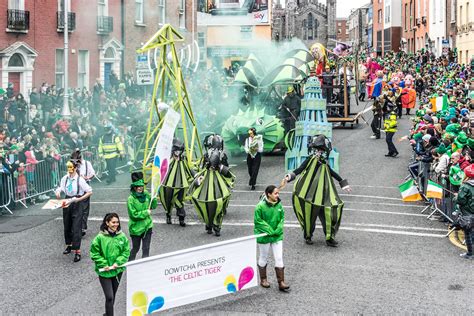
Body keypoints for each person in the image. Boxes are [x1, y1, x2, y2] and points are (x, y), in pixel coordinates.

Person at [283, 135, 351, 246]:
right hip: (310, 195)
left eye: (321, 150)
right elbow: (299, 169)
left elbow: (332, 173)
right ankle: (308, 236)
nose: (319, 152)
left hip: (324, 195)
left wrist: (344, 184)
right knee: (309, 217)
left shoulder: (324, 163)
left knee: (328, 216)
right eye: (317, 150)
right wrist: (289, 176)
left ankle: (329, 238)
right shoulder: (310, 160)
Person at [189, 134, 235, 236]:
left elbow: (226, 168)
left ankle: (214, 225)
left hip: (216, 178)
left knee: (216, 201)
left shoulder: (217, 155)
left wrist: (218, 166)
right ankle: (211, 224)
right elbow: (202, 167)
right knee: (215, 201)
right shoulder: (211, 155)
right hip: (210, 178)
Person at [90, 213, 130, 316]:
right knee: (109, 297)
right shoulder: (99, 238)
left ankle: (107, 314)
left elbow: (126, 252)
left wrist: (118, 262)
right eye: (113, 222)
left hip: (117, 270)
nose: (115, 224)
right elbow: (94, 254)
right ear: (107, 223)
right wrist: (104, 264)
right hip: (105, 272)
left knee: (113, 296)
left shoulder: (122, 236)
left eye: (117, 222)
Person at [55, 160, 93, 262]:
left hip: (77, 202)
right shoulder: (65, 178)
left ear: (75, 168)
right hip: (67, 202)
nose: (69, 170)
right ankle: (69, 245)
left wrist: (79, 199)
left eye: (71, 168)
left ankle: (77, 251)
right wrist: (58, 192)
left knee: (76, 226)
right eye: (68, 167)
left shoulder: (80, 180)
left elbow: (89, 191)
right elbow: (61, 188)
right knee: (67, 225)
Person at [254, 185, 290, 292]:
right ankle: (263, 279)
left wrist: (278, 229)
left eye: (278, 193)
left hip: (276, 235)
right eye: (275, 193)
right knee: (263, 257)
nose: (277, 195)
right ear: (268, 194)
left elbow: (282, 218)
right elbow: (258, 221)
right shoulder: (259, 206)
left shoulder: (279, 205)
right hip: (264, 236)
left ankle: (281, 282)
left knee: (279, 258)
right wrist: (269, 230)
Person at [159, 139, 194, 227]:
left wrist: (195, 176)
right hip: (168, 184)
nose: (178, 152)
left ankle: (181, 218)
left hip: (181, 184)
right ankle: (168, 215)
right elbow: (161, 169)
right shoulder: (167, 158)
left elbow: (188, 168)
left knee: (179, 201)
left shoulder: (183, 158)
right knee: (168, 201)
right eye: (176, 150)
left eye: (179, 150)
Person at [127, 172, 157, 260]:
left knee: (146, 248)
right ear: (134, 187)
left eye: (142, 186)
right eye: (138, 186)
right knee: (135, 249)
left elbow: (153, 206)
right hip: (136, 229)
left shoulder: (146, 193)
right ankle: (130, 265)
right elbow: (133, 215)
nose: (140, 188)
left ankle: (145, 268)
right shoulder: (131, 199)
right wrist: (146, 213)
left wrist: (154, 198)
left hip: (148, 226)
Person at [70, 149, 96, 236]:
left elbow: (93, 173)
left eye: (78, 161)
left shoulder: (87, 164)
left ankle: (82, 227)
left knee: (84, 208)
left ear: (80, 159)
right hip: (74, 187)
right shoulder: (72, 165)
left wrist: (87, 177)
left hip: (84, 186)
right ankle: (75, 227)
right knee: (75, 208)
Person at [454, 164, 474, 259]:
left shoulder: (466, 186)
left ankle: (470, 253)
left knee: (468, 233)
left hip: (468, 213)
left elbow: (461, 200)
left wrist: (456, 197)